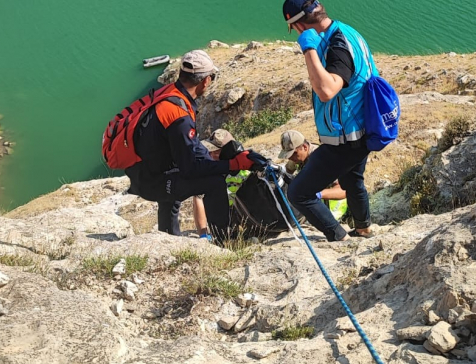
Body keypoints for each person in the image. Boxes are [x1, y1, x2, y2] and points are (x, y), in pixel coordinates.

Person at [125, 50, 256, 240]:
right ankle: (223, 242)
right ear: (205, 80)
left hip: (142, 174)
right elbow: (190, 169)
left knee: (173, 195)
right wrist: (232, 165)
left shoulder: (170, 94)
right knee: (214, 182)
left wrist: (210, 158)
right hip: (153, 182)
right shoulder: (179, 115)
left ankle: (168, 239)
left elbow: (192, 146)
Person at [281, 0, 375, 242]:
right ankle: (363, 229)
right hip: (362, 129)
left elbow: (326, 90)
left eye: (293, 29)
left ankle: (338, 237)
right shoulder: (347, 30)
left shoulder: (336, 43)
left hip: (346, 138)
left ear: (299, 24)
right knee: (352, 180)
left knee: (299, 192)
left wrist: (308, 48)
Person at [278, 129, 348, 222]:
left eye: (293, 154)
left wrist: (317, 195)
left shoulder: (324, 160)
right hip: (315, 200)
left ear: (305, 147)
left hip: (336, 204)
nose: (291, 158)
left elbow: (343, 191)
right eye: (288, 155)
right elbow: (287, 171)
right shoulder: (298, 157)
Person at [193, 129, 250, 238]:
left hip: (246, 224)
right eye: (210, 151)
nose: (211, 154)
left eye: (216, 152)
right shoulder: (212, 170)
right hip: (223, 227)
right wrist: (203, 235)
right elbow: (198, 198)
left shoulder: (246, 169)